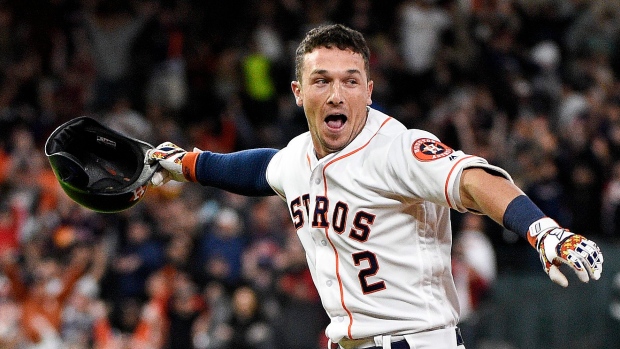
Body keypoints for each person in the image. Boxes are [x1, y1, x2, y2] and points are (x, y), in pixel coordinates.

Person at [145, 24, 603, 349]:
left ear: (368, 89)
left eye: (351, 81)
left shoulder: (398, 148)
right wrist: (186, 163)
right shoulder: (297, 157)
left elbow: (472, 179)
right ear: (297, 92)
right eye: (321, 81)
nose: (337, 94)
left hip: (418, 343)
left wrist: (540, 230)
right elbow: (257, 170)